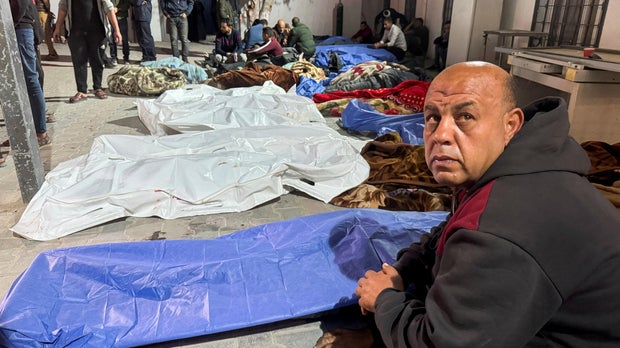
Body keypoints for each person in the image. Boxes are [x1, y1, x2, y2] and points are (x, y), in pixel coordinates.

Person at [315, 61, 620, 348]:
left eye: (465, 117)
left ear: (511, 124)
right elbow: (449, 227)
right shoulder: (513, 168)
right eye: (433, 117)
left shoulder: (504, 227)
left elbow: (438, 342)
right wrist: (404, 269)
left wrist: (384, 300)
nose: (442, 135)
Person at [54, 0, 122, 103]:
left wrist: (117, 30)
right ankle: (82, 91)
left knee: (97, 60)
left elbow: (109, 8)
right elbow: (63, 8)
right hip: (76, 32)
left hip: (97, 31)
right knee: (79, 61)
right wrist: (57, 27)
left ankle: (98, 88)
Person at [10, 0, 50, 146]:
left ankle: (41, 133)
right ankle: (22, 132)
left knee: (30, 80)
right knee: (13, 84)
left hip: (20, 28)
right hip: (14, 28)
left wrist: (9, 23)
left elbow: (20, 5)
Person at [111, 0, 131, 64]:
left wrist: (118, 9)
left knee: (124, 39)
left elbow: (127, 4)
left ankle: (126, 58)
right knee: (112, 39)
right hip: (111, 18)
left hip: (121, 18)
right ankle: (114, 57)